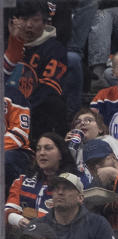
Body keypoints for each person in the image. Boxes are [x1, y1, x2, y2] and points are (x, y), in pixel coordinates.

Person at [2, 0, 69, 139]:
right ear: (14, 20)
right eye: (24, 19)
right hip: (6, 108)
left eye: (35, 20)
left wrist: (20, 110)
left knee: (54, 104)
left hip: (36, 114)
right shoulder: (6, 44)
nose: (28, 25)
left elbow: (49, 89)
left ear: (45, 23)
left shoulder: (55, 49)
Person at [6, 133, 78, 230]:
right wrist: (20, 220)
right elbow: (8, 211)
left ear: (61, 154)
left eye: (48, 148)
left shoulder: (73, 185)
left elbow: (69, 220)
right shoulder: (22, 181)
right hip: (25, 238)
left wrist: (31, 216)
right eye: (38, 149)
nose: (42, 153)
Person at [4, 85, 32, 189]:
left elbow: (20, 134)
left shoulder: (13, 94)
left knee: (6, 160)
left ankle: (15, 201)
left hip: (14, 151)